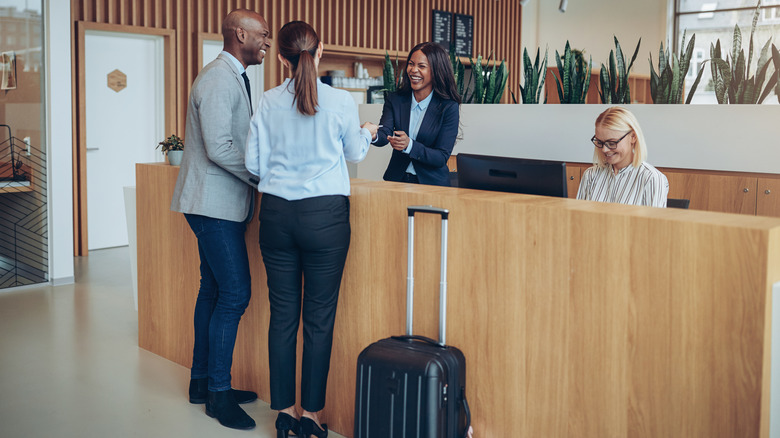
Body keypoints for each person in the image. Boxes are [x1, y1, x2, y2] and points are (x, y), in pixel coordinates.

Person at [244, 21, 376, 438]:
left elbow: (252, 164)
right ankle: (312, 418)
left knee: (282, 316)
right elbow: (355, 152)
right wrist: (367, 134)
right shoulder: (339, 101)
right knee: (319, 320)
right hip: (325, 219)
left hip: (277, 217)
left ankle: (283, 414)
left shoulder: (266, 102)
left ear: (281, 58)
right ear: (319, 53)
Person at [169, 9, 271, 431]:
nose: (266, 40)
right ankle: (218, 395)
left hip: (221, 205)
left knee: (211, 292)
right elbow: (219, 146)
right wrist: (262, 176)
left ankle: (201, 383)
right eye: (262, 34)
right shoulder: (216, 79)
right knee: (234, 295)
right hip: (212, 206)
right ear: (239, 33)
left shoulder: (233, 77)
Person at [371, 41, 460, 186]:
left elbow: (441, 157)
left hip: (432, 185)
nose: (413, 70)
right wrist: (372, 134)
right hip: (397, 181)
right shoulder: (395, 100)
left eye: (421, 66)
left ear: (436, 70)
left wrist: (410, 145)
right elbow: (384, 132)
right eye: (411, 64)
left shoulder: (448, 107)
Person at [576, 106, 669, 207]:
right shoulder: (590, 175)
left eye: (611, 143)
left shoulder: (652, 179)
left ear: (633, 137)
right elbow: (578, 218)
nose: (604, 149)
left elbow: (653, 223)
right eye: (600, 142)